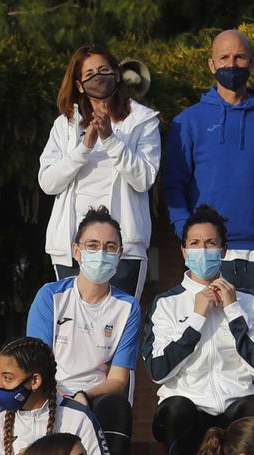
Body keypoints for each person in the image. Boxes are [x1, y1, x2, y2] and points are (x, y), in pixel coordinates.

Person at [162, 28, 254, 374]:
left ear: (251, 62)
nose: (232, 64)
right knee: (213, 339)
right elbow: (173, 186)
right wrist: (187, 234)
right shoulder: (187, 121)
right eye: (224, 58)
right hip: (209, 254)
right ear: (211, 64)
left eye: (239, 57)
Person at [148, 207, 254, 455]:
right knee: (176, 409)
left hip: (235, 404)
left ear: (224, 249)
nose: (202, 250)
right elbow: (158, 371)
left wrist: (233, 312)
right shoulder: (166, 303)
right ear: (183, 251)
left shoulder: (249, 303)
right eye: (194, 244)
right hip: (188, 408)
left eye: (211, 243)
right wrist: (197, 318)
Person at [26, 208, 143, 455]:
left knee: (118, 407)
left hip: (94, 395)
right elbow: (35, 362)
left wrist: (84, 396)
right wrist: (61, 395)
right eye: (92, 245)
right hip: (49, 391)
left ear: (120, 254)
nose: (101, 253)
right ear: (76, 251)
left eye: (110, 246)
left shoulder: (128, 307)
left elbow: (118, 379)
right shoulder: (50, 296)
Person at [38, 46, 160, 296]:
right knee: (74, 327)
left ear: (117, 74)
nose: (98, 77)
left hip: (123, 248)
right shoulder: (64, 124)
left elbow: (144, 178)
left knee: (119, 325)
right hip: (73, 250)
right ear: (80, 85)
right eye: (90, 73)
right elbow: (48, 182)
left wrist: (110, 138)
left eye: (104, 70)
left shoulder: (142, 121)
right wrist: (84, 147)